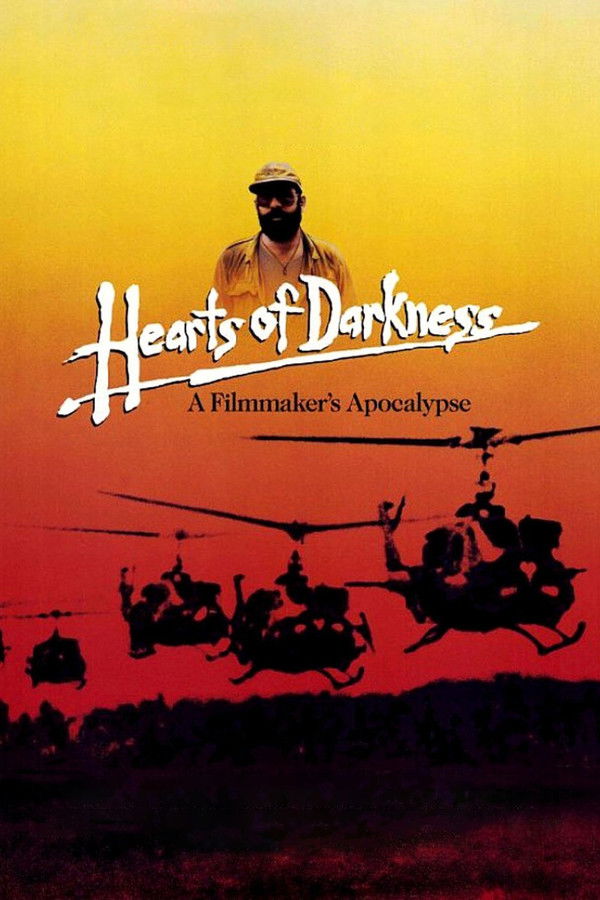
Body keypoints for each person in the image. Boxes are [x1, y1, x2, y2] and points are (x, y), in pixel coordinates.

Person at [214, 162, 355, 314]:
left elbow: (350, 323)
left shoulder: (331, 261)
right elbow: (218, 323)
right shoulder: (231, 261)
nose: (275, 204)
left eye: (284, 197)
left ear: (302, 202)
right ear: (256, 205)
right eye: (265, 198)